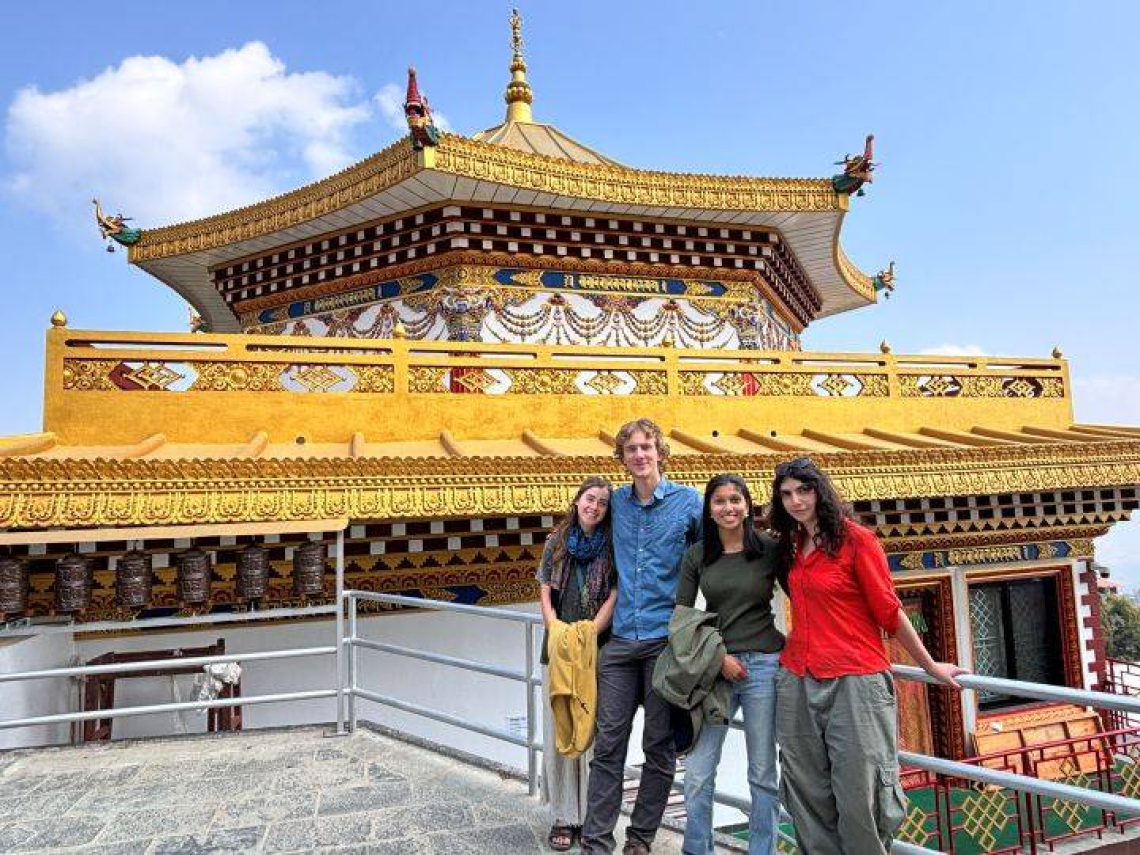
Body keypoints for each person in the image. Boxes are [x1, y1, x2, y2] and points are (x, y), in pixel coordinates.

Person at [770, 457, 967, 855]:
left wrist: (929, 665)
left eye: (803, 490)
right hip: (797, 676)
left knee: (860, 793)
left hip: (855, 680)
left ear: (819, 491)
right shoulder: (791, 544)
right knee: (807, 790)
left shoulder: (857, 540)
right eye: (786, 494)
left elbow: (889, 611)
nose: (795, 501)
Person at [580, 418, 703, 855]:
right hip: (619, 643)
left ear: (660, 452)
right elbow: (578, 533)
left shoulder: (689, 503)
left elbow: (718, 556)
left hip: (663, 643)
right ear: (623, 457)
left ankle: (640, 838)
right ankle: (596, 841)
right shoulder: (615, 503)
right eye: (631, 448)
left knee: (658, 745)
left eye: (646, 446)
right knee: (608, 742)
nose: (639, 455)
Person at [674, 474, 783, 855]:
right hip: (716, 669)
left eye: (735, 499)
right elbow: (682, 619)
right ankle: (697, 849)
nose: (728, 508)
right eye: (719, 501)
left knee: (763, 773)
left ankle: (762, 850)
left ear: (747, 504)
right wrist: (719, 659)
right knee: (699, 773)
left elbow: (805, 596)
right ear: (710, 509)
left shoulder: (769, 549)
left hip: (765, 668)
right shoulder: (698, 556)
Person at [537, 476, 619, 851]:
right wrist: (554, 627)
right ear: (577, 501)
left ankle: (590, 816)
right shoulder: (556, 541)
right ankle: (563, 814)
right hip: (557, 650)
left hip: (596, 650)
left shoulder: (613, 545)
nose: (595, 507)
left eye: (602, 502)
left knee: (593, 734)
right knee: (561, 728)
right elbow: (545, 588)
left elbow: (617, 591)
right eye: (590, 499)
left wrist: (590, 630)